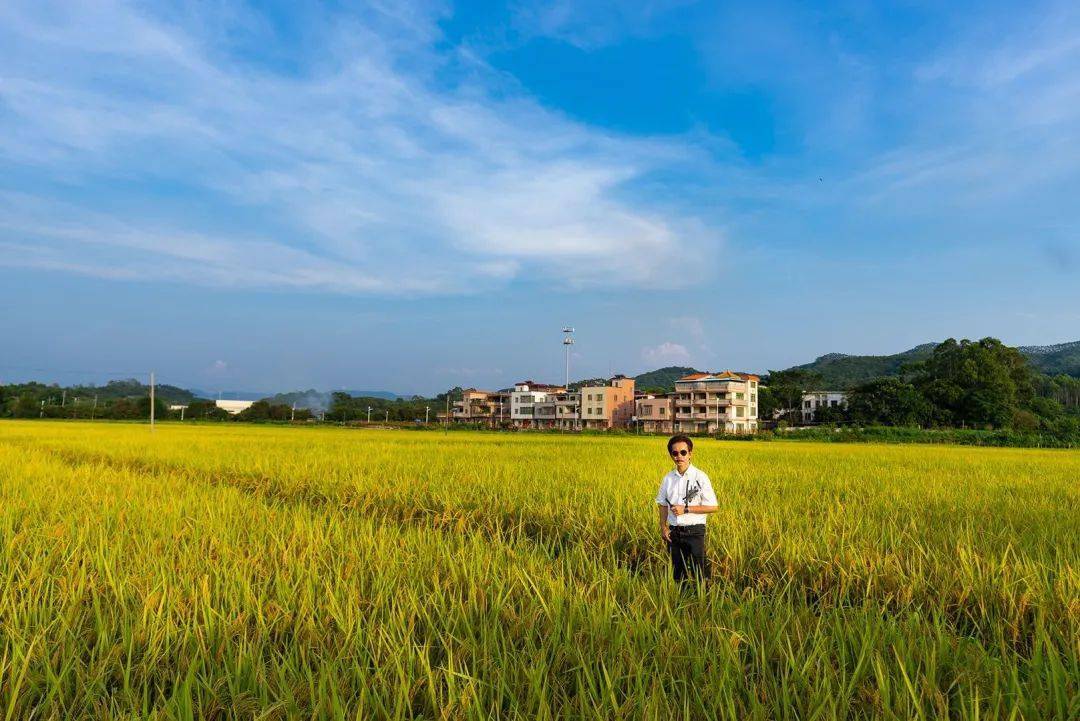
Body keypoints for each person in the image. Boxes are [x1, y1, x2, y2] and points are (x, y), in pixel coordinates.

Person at [655, 434, 718, 583]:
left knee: (700, 573)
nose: (679, 456)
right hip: (674, 532)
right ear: (671, 455)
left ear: (690, 454)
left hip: (695, 531)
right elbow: (662, 504)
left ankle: (703, 603)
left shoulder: (700, 477)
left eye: (683, 452)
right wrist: (663, 527)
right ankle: (681, 601)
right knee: (678, 574)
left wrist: (686, 509)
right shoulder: (668, 479)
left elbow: (713, 507)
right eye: (675, 453)